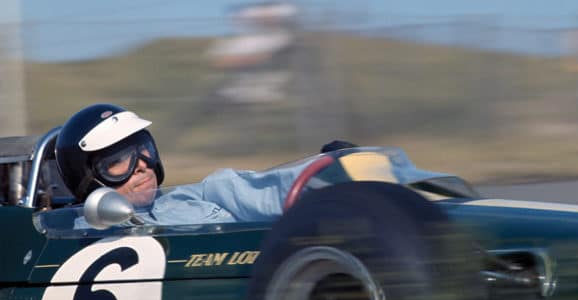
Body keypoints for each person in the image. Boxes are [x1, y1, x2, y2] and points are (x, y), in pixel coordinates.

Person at [55, 103, 357, 226]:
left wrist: (326, 169)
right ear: (88, 177)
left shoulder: (191, 196)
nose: (142, 165)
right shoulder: (86, 231)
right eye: (119, 161)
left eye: (144, 150)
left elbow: (253, 191)